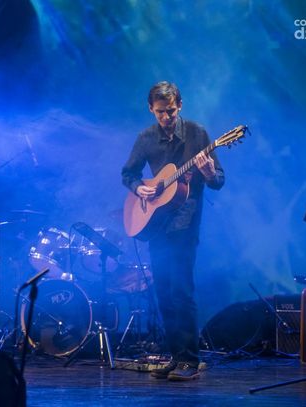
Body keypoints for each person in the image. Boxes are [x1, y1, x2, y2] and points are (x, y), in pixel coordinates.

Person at [121, 81, 224, 381]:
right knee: (164, 294)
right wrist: (138, 187)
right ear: (150, 109)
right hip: (157, 226)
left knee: (181, 291)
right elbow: (128, 173)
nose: (166, 117)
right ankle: (175, 357)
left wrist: (208, 173)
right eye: (160, 112)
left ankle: (189, 360)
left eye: (171, 111)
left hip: (185, 223)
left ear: (180, 105)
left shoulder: (197, 134)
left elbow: (218, 180)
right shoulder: (146, 138)